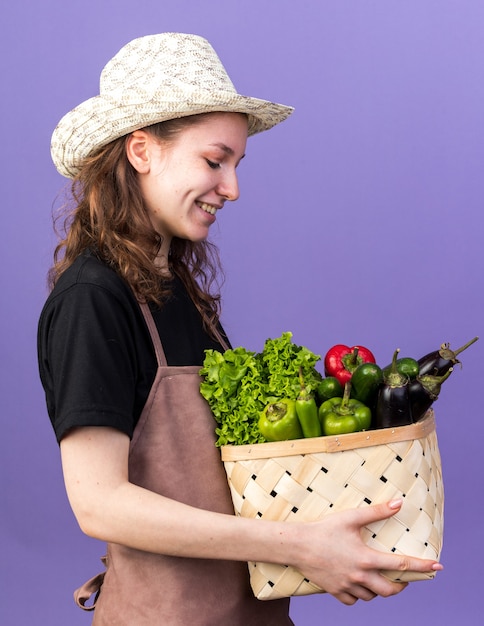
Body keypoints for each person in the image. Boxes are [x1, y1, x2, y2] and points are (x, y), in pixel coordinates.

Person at [37, 33, 443, 625]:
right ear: (142, 151)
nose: (232, 188)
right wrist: (299, 545)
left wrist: (337, 534)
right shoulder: (92, 299)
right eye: (214, 160)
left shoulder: (180, 293)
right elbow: (101, 505)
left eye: (235, 164)